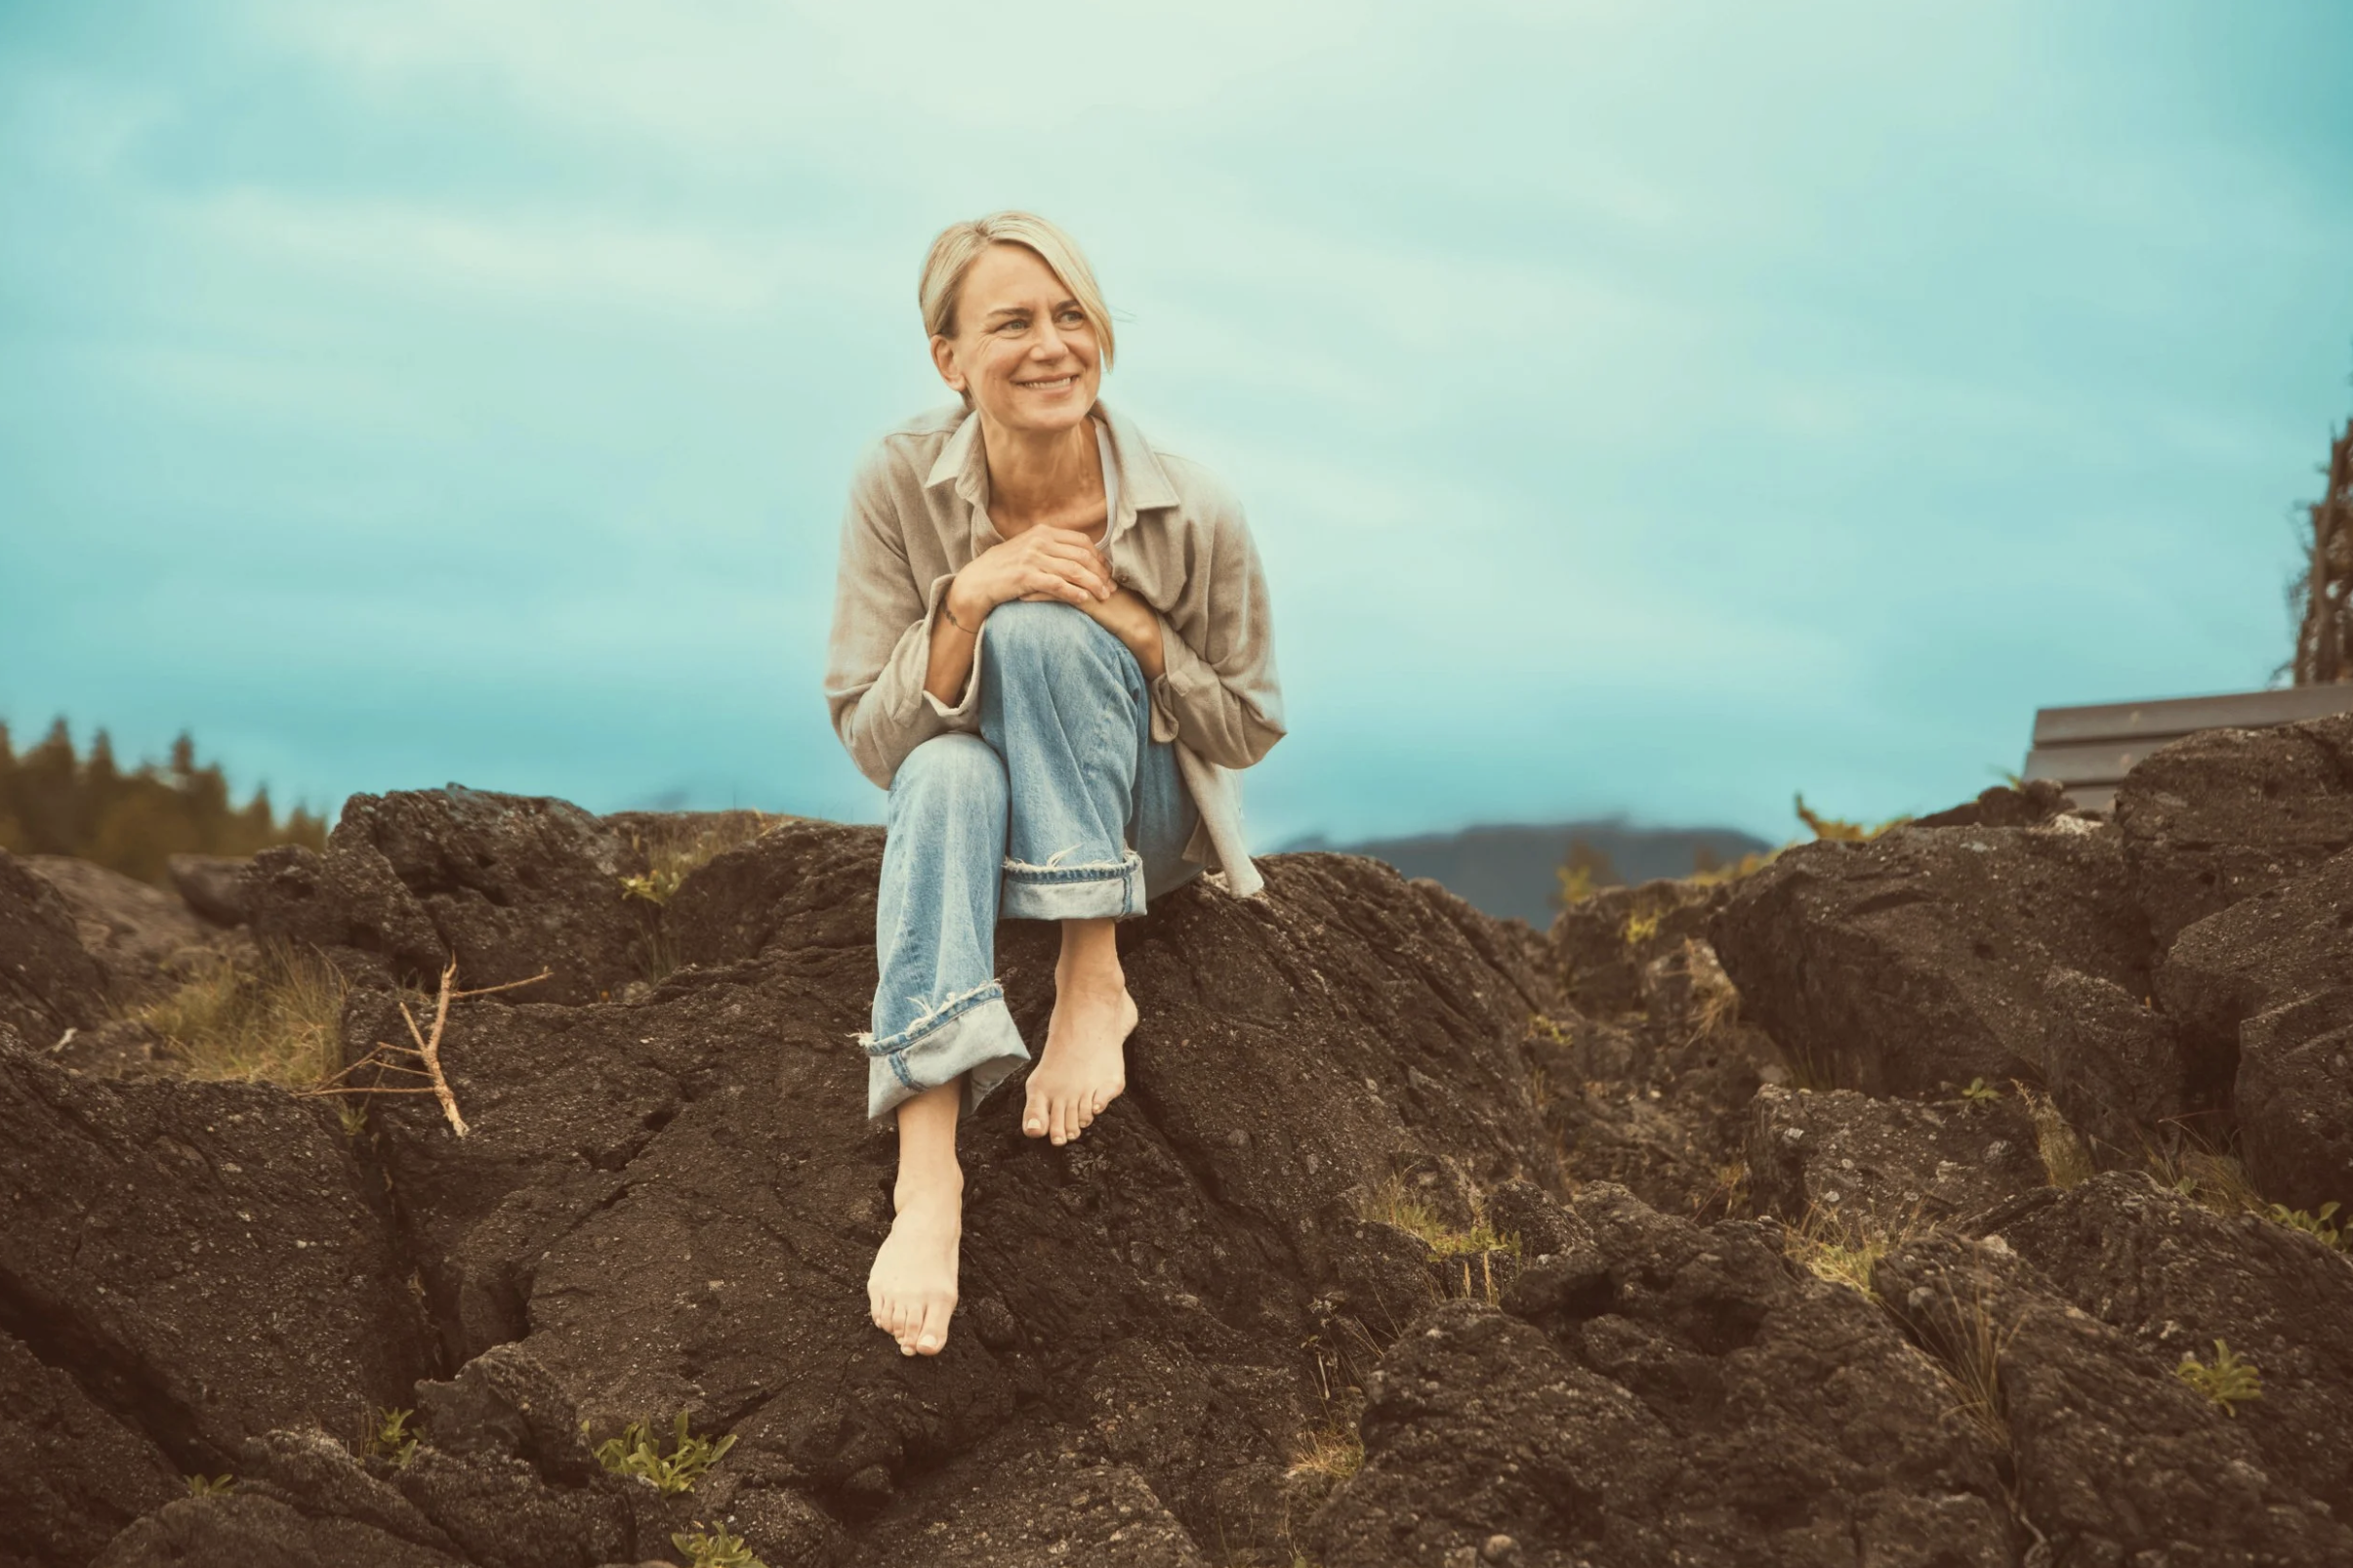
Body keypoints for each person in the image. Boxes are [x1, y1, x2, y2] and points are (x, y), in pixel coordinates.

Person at [822, 211, 1286, 1358]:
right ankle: (929, 1176)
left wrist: (1123, 622)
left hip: (1146, 821)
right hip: (976, 804)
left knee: (1040, 632)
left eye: (1071, 314)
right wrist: (969, 594)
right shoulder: (894, 483)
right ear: (951, 359)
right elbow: (873, 740)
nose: (1050, 345)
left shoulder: (1195, 503)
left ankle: (1092, 976)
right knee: (938, 770)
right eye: (1012, 322)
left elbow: (1249, 721)